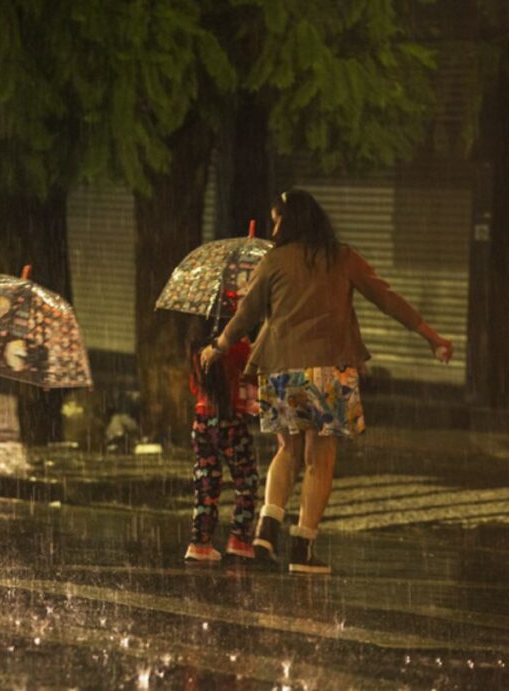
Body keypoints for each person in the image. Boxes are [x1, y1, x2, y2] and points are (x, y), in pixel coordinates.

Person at [201, 189, 452, 575]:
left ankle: (267, 530)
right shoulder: (342, 257)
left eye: (276, 219)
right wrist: (431, 337)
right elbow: (386, 298)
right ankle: (302, 547)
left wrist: (218, 346)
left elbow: (247, 312)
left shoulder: (274, 260)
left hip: (282, 366)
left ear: (288, 220)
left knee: (287, 449)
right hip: (330, 367)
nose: (273, 226)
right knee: (320, 458)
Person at [184, 317, 259, 563]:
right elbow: (250, 379)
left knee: (206, 481)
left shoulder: (195, 348)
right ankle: (239, 538)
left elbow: (195, 387)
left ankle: (200, 542)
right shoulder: (236, 346)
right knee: (245, 479)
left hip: (203, 420)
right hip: (230, 422)